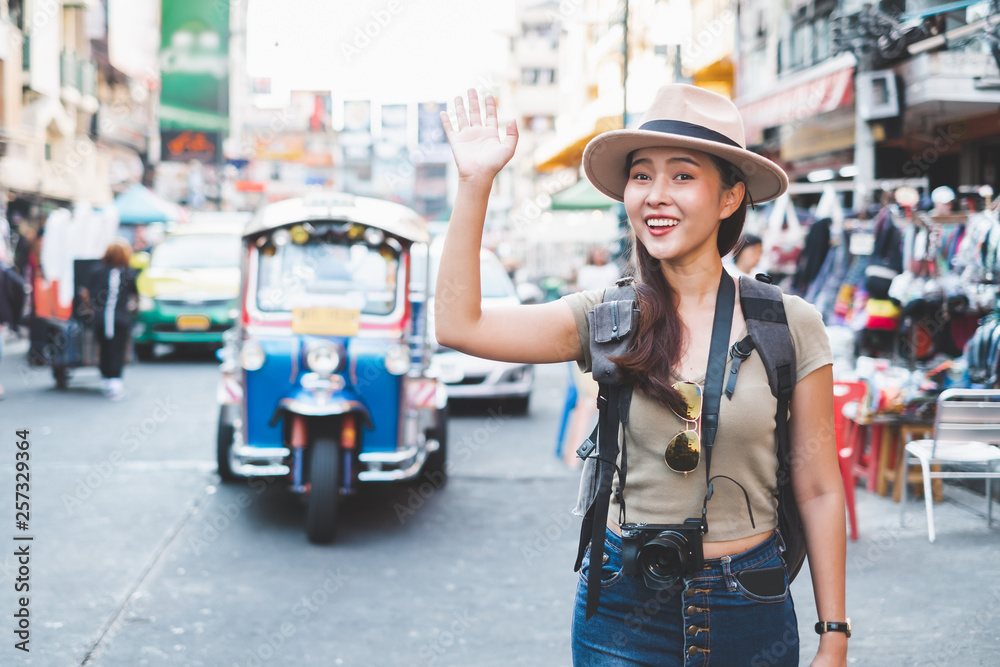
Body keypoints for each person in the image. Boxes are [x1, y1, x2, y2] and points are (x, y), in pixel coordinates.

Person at [436, 86, 846, 666]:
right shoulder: (605, 316)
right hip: (622, 605)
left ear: (730, 197)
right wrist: (475, 182)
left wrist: (834, 633)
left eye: (682, 176)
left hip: (749, 605)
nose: (655, 196)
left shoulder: (788, 323)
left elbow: (821, 489)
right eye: (641, 176)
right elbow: (460, 324)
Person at [80, 239, 138, 400]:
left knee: (104, 348)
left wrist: (91, 305)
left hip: (100, 319)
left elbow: (85, 292)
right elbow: (135, 296)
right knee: (117, 349)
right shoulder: (129, 272)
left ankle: (106, 378)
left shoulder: (97, 270)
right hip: (120, 319)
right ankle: (114, 380)